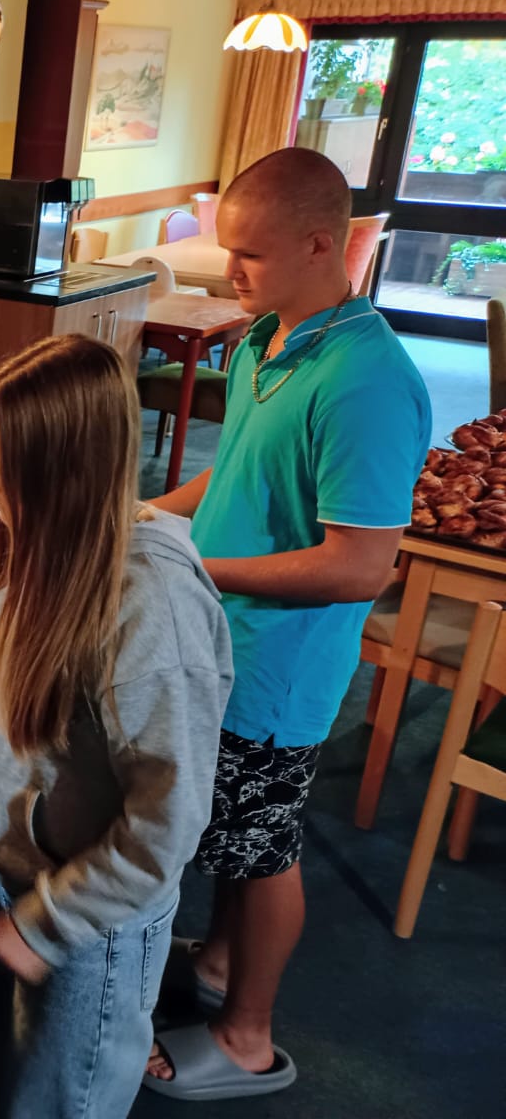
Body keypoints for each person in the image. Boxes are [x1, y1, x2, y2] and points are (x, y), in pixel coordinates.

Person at [142, 148, 431, 1101]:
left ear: (320, 246)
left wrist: (191, 565)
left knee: (263, 848)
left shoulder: (364, 380)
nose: (227, 272)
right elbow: (236, 475)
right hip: (219, 637)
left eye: (249, 256)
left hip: (277, 667)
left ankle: (246, 1038)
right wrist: (143, 517)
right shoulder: (267, 339)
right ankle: (221, 961)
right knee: (231, 833)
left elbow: (359, 566)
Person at [0, 334, 232, 1117]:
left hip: (91, 921)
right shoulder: (39, 541)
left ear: (59, 474)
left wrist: (43, 927)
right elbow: (15, 643)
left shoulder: (151, 609)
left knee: (60, 1098)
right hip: (7, 870)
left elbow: (165, 825)